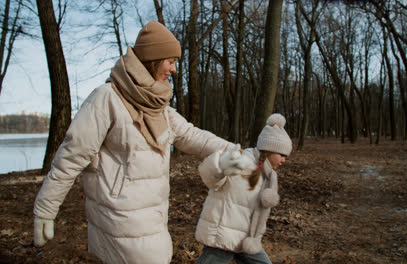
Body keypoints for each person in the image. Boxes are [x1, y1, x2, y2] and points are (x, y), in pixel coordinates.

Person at [33, 20, 243, 264]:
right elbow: (72, 155)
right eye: (171, 61)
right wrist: (46, 208)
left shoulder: (157, 104)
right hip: (119, 216)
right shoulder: (107, 98)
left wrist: (237, 151)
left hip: (153, 216)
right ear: (153, 59)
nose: (174, 69)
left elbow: (190, 135)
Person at [194, 113, 293, 264]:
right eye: (282, 154)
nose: (284, 160)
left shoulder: (268, 175)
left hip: (245, 239)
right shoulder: (243, 161)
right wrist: (221, 164)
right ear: (269, 149)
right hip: (223, 237)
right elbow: (210, 177)